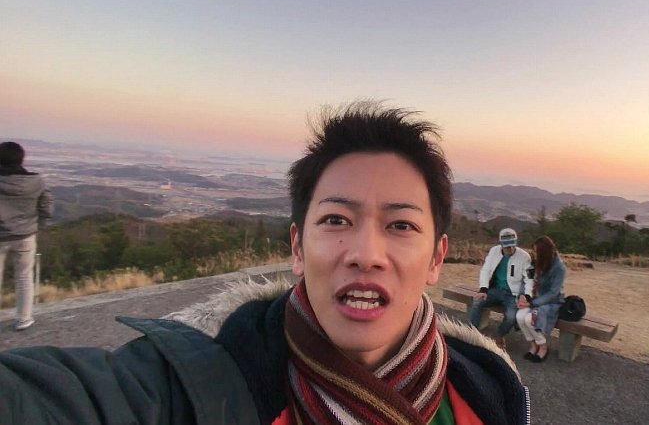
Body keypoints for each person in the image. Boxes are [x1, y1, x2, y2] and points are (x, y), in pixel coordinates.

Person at [0, 102, 530, 425]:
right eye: (337, 220)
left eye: (401, 225)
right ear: (297, 248)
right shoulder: (198, 381)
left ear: (436, 258)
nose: (366, 254)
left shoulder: (487, 388)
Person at [0, 141, 53, 331]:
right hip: (26, 235)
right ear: (21, 159)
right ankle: (24, 318)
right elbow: (46, 206)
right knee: (24, 277)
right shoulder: (36, 181)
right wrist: (39, 225)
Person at [468, 228, 532, 349]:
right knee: (477, 302)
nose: (510, 249)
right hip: (495, 289)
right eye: (507, 246)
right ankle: (471, 333)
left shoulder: (525, 256)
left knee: (511, 317)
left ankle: (499, 334)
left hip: (512, 293)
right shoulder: (494, 251)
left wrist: (526, 295)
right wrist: (483, 289)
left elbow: (530, 279)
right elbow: (486, 270)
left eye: (513, 245)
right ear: (501, 244)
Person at [515, 236, 566, 363]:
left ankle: (543, 347)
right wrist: (522, 296)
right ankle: (533, 346)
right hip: (533, 298)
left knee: (529, 319)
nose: (534, 254)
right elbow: (526, 281)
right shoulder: (533, 263)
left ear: (544, 253)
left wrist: (532, 303)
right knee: (520, 317)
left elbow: (553, 293)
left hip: (551, 302)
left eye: (536, 251)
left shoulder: (559, 268)